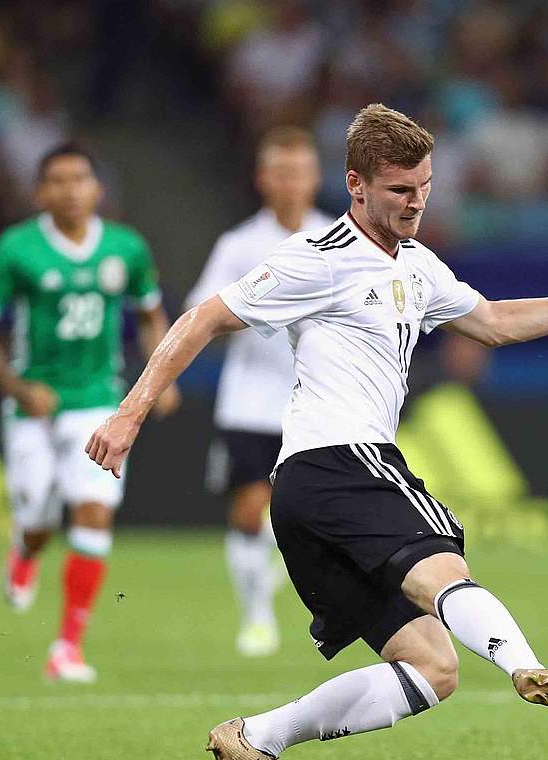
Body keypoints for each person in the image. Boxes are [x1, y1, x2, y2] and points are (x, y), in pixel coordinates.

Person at [86, 104, 548, 759]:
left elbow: (497, 320)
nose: (416, 203)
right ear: (356, 185)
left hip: (306, 497)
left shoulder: (418, 264)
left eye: (425, 187)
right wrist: (129, 415)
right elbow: (202, 319)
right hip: (342, 463)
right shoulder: (318, 258)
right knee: (441, 566)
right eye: (399, 190)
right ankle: (527, 667)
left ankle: (254, 739)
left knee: (432, 668)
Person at [0, 142, 180, 683]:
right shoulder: (17, 248)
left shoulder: (126, 248)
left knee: (94, 510)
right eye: (57, 181)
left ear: (96, 189)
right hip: (34, 406)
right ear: (40, 192)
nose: (70, 189)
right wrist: (16, 388)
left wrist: (160, 379)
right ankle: (26, 549)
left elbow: (153, 315)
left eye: (80, 179)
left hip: (99, 401)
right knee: (37, 517)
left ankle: (67, 648)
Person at [185, 126, 334, 658]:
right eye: (281, 172)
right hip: (249, 400)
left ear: (316, 177)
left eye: (300, 171)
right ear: (262, 179)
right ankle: (256, 618)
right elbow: (203, 311)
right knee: (251, 511)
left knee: (310, 517)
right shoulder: (239, 245)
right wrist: (255, 309)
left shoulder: (338, 238)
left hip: (319, 402)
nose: (291, 182)